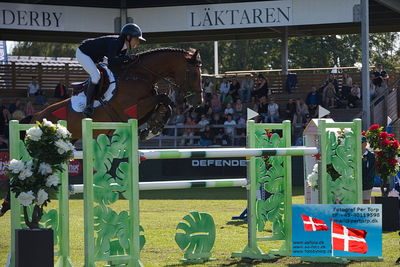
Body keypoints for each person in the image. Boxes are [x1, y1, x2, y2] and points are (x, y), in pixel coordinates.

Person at [76, 23, 146, 117]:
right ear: (128, 37)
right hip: (83, 53)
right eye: (136, 39)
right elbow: (112, 61)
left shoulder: (123, 47)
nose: (137, 42)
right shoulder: (116, 42)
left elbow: (117, 64)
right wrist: (128, 58)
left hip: (95, 57)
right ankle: (88, 106)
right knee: (96, 76)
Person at [362, 137, 376, 204]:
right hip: (354, 184)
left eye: (361, 143)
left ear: (365, 144)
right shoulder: (353, 155)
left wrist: (366, 182)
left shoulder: (371, 156)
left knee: (365, 201)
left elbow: (372, 171)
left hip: (366, 185)